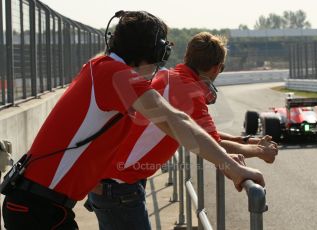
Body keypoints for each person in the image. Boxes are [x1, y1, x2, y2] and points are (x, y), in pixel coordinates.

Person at [1, 12, 264, 229]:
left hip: (37, 204)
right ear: (154, 50)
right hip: (39, 209)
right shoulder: (117, 76)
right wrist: (234, 169)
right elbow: (176, 121)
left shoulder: (99, 67)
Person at [87, 32, 277, 230]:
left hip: (111, 181)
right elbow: (214, 145)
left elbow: (199, 134)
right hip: (119, 187)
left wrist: (243, 141)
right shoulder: (189, 90)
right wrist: (261, 152)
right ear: (216, 68)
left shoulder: (169, 77)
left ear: (188, 57)